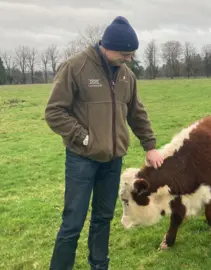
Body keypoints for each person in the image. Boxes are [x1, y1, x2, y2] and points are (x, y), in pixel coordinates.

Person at [44, 16, 164, 270]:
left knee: (103, 218)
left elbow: (137, 113)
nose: (129, 59)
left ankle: (100, 266)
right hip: (81, 160)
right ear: (107, 46)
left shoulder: (126, 76)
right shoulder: (75, 67)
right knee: (73, 222)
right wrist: (83, 137)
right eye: (125, 54)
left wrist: (150, 145)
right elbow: (54, 112)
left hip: (112, 161)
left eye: (132, 54)